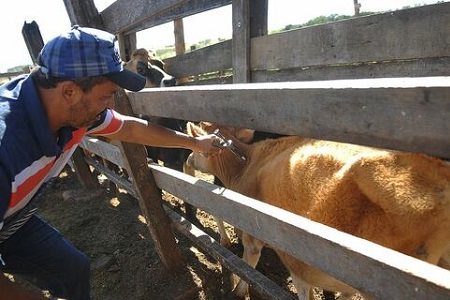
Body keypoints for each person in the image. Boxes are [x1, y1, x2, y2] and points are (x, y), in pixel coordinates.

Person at [0, 25, 221, 300]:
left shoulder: (72, 111)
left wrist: (194, 143)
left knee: (74, 269)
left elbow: (130, 129)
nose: (112, 105)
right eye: (106, 96)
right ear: (69, 92)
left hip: (12, 222)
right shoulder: (6, 148)